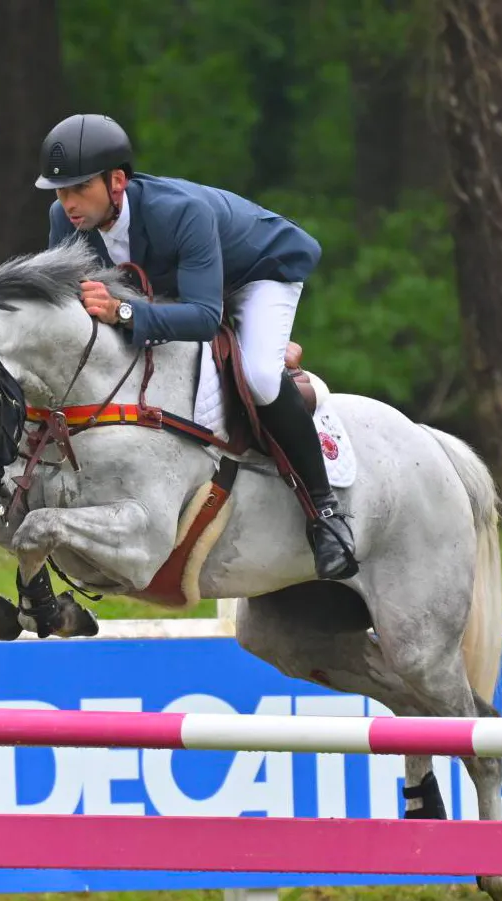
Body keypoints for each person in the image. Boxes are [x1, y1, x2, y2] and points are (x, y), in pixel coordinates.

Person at [35, 113, 357, 580]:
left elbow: (204, 318)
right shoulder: (65, 222)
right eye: (60, 192)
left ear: (117, 181)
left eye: (79, 189)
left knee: (261, 378)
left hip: (259, 272)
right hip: (183, 284)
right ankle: (262, 345)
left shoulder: (179, 211)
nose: (68, 204)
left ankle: (326, 515)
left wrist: (123, 314)